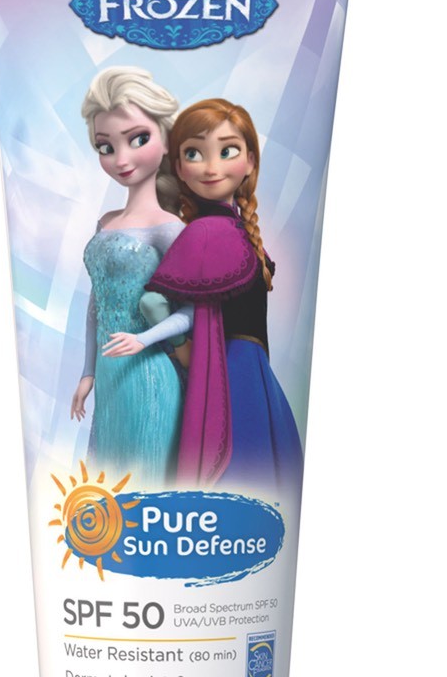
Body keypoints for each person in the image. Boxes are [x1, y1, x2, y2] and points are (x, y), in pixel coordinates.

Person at [141, 98, 304, 493]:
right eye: (194, 154)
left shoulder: (232, 230)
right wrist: (185, 351)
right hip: (234, 375)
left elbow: (158, 305)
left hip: (246, 374)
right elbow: (153, 303)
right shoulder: (205, 232)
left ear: (250, 160)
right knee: (251, 484)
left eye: (227, 151)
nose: (211, 167)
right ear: (180, 168)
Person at [69, 67, 190, 486]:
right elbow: (96, 305)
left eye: (138, 139)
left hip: (150, 374)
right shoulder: (105, 222)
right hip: (109, 377)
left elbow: (192, 311)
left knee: (146, 482)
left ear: (166, 138)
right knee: (110, 486)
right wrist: (87, 373)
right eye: (106, 146)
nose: (121, 159)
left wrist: (145, 338)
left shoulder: (168, 228)